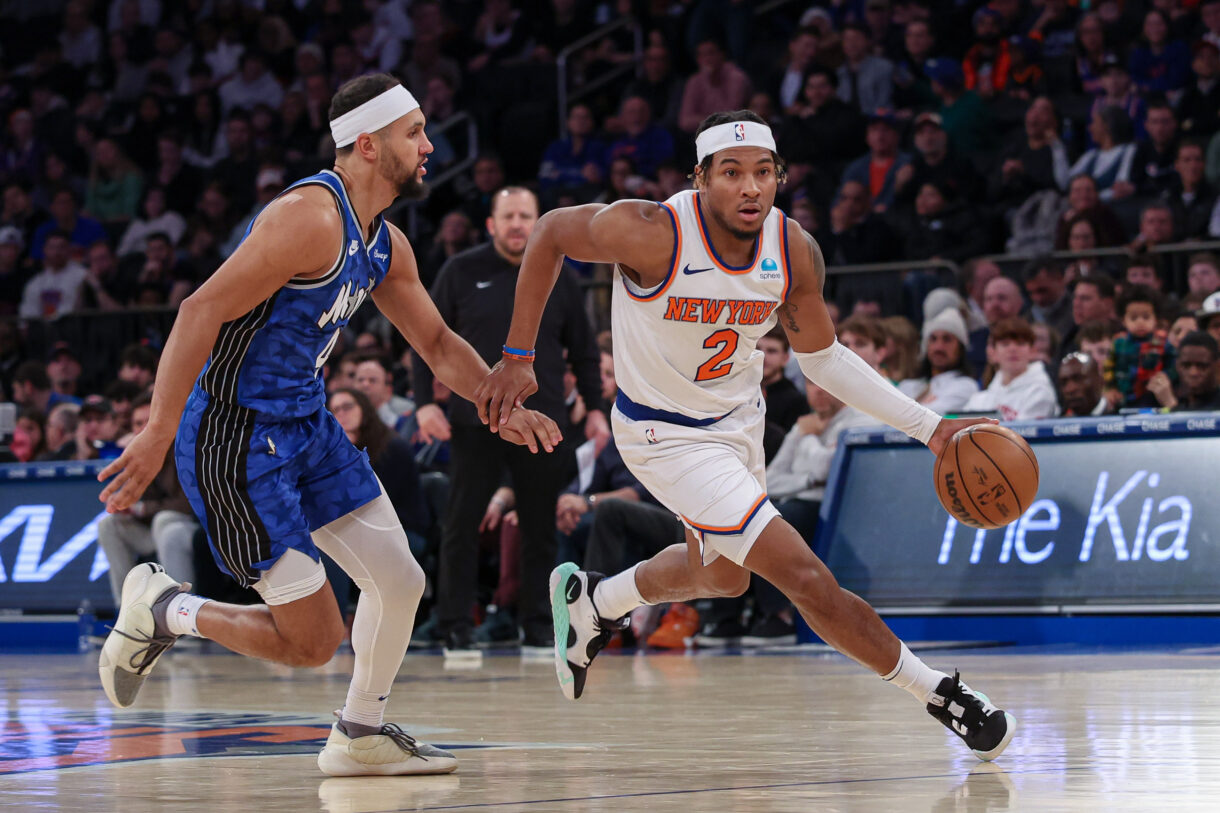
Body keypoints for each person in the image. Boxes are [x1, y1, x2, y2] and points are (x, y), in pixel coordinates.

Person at [475, 109, 1016, 761]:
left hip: (737, 423)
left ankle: (596, 598)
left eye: (763, 172)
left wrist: (930, 428)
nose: (749, 187)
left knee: (724, 577)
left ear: (780, 177)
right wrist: (517, 354)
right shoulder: (651, 232)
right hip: (662, 433)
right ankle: (940, 693)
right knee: (806, 578)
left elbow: (822, 359)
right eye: (731, 173)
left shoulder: (793, 251)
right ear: (700, 178)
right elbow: (552, 234)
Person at [94, 74, 560, 778]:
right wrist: (157, 430)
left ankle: (359, 732)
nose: (430, 146)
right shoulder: (309, 217)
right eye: (415, 133)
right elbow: (197, 311)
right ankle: (166, 607)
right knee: (312, 642)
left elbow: (436, 346)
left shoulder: (386, 243)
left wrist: (501, 404)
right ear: (367, 145)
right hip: (237, 436)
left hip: (307, 423)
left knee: (400, 580)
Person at [411, 185, 605, 658]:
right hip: (475, 420)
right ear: (491, 224)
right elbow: (427, 340)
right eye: (509, 216)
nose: (518, 224)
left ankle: (538, 624)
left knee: (539, 526)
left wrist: (596, 406)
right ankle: (455, 625)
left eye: (527, 216)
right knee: (461, 524)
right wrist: (423, 402)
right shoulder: (460, 271)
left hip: (543, 421)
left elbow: (583, 348)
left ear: (538, 224)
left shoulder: (562, 276)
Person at [96, 394, 199, 611]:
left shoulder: (187, 448)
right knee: (108, 525)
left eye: (148, 421)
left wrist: (142, 509)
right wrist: (126, 508)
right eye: (137, 424)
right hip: (156, 530)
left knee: (165, 523)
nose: (143, 428)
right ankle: (128, 612)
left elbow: (190, 504)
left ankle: (179, 613)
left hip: (197, 529)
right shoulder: (139, 457)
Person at [963, 318, 1059, 420]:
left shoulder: (1040, 393)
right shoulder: (979, 399)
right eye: (1005, 344)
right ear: (993, 353)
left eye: (1020, 343)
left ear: (1033, 351)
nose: (1012, 349)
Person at [1103, 285, 1175, 409]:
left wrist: (1164, 378)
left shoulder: (1163, 342)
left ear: (1156, 319)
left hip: (1154, 399)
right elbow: (1108, 368)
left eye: (1146, 317)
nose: (1140, 322)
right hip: (1123, 400)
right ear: (1123, 321)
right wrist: (1110, 389)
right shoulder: (1118, 343)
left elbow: (1172, 367)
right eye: (1133, 318)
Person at [898, 308, 980, 414]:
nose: (938, 347)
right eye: (933, 339)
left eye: (947, 339)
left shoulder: (965, 386)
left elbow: (928, 418)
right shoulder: (909, 385)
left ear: (960, 348)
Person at [1158, 331, 1220, 411]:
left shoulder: (1169, 399)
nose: (1193, 373)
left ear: (1217, 366)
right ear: (1177, 365)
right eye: (1186, 366)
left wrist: (1171, 405)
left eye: (1202, 366)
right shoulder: (1166, 395)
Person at [1057, 351, 1112, 417]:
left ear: (1100, 381)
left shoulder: (1122, 418)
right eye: (1064, 383)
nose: (1070, 389)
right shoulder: (1057, 423)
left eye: (1078, 379)